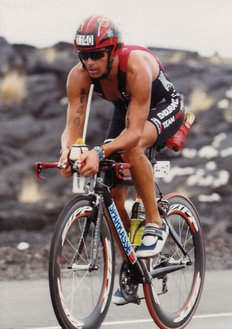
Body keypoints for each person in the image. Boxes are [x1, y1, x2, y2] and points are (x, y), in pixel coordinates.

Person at [59, 15, 185, 304]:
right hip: (126, 108)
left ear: (112, 51)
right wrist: (68, 150)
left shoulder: (136, 65)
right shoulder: (78, 76)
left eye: (96, 55)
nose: (89, 62)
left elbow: (135, 132)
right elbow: (72, 128)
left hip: (163, 107)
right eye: (83, 55)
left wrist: (100, 151)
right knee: (113, 197)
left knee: (131, 147)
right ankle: (131, 267)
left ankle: (155, 221)